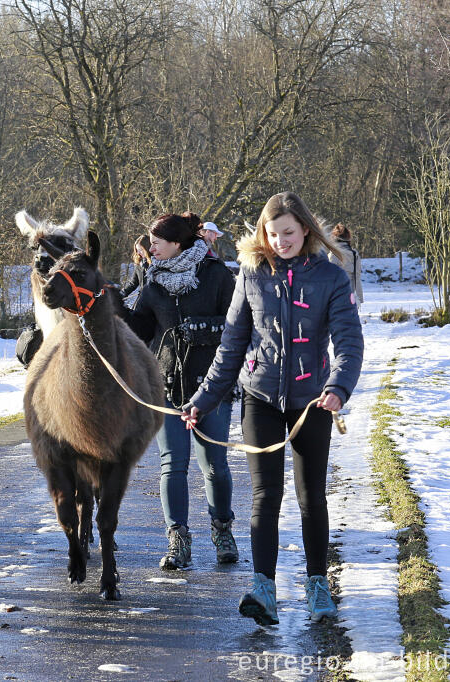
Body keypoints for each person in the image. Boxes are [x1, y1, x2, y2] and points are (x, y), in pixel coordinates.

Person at [182, 192, 363, 626]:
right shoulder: (251, 275)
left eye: (288, 232)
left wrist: (338, 388)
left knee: (309, 496)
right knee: (265, 496)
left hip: (312, 401)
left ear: (305, 230)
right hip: (259, 398)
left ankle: (317, 583)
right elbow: (230, 348)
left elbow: (349, 342)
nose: (280, 241)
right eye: (272, 233)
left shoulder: (331, 278)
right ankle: (263, 588)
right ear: (263, 234)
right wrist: (202, 402)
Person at [123, 213, 238, 571]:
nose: (150, 246)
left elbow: (238, 325)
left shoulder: (217, 275)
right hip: (167, 385)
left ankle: (222, 531)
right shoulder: (152, 281)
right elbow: (139, 331)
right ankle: (178, 541)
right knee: (172, 465)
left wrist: (201, 328)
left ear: (178, 244)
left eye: (157, 241)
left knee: (215, 466)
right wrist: (107, 308)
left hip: (211, 386)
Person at [328, 223, 364, 303]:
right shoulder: (355, 254)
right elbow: (357, 277)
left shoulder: (333, 254)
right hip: (351, 297)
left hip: (336, 297)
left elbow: (329, 278)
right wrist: (359, 298)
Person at [118, 234, 151, 299]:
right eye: (137, 250)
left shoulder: (157, 262)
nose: (138, 253)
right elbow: (133, 283)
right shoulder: (139, 264)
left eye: (141, 249)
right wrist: (123, 293)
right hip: (143, 299)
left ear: (147, 248)